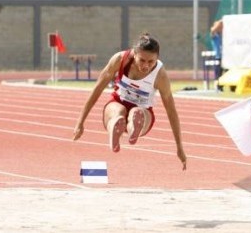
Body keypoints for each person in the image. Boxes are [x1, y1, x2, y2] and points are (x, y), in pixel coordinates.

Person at [73, 33, 187, 170]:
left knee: (136, 112)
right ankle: (115, 127)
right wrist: (80, 122)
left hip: (144, 111)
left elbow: (171, 110)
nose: (146, 65)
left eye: (151, 62)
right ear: (134, 54)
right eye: (142, 60)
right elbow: (97, 89)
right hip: (117, 102)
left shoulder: (160, 76)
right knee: (118, 111)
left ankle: (133, 128)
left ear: (157, 58)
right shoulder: (120, 59)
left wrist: (179, 146)